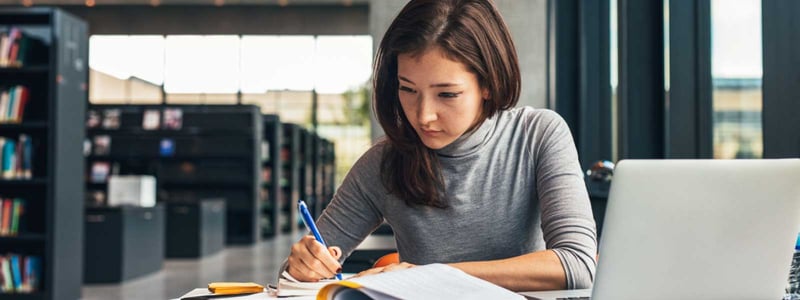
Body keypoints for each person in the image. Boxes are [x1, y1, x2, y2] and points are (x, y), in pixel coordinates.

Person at [282, 0, 596, 291]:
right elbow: (292, 279)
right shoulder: (382, 162)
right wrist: (301, 267)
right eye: (408, 89)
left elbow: (577, 264)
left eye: (446, 94)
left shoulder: (538, 135)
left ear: (488, 84)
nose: (423, 116)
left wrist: (425, 275)